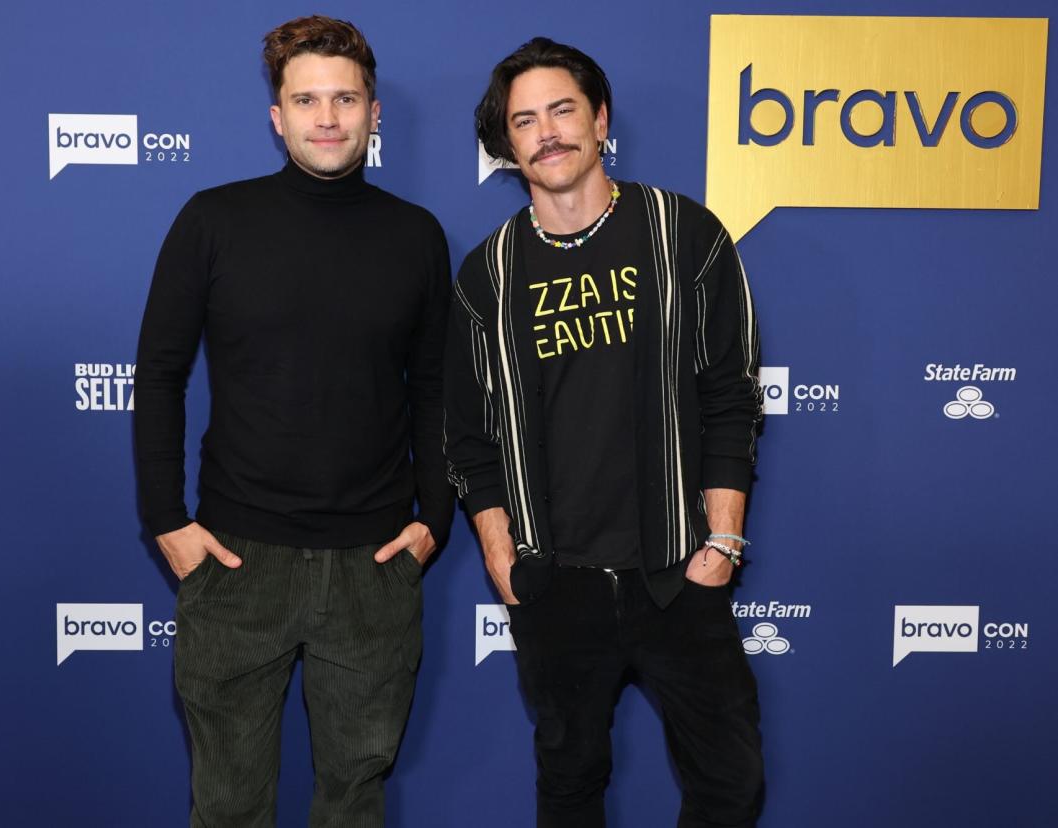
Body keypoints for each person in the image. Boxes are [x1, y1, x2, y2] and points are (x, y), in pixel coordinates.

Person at [133, 15, 454, 827]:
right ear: (276, 116)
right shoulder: (212, 219)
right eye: (305, 99)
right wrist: (165, 520)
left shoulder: (415, 236)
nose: (327, 117)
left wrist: (433, 522)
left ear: (373, 112)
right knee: (229, 807)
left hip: (374, 567)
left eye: (345, 98)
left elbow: (436, 388)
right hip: (238, 564)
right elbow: (160, 376)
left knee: (353, 804)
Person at [444, 37, 765, 828]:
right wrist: (501, 558)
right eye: (525, 120)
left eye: (562, 110)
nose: (547, 132)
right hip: (556, 587)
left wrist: (719, 546)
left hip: (676, 573)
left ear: (600, 120)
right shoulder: (487, 274)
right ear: (508, 143)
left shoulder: (682, 233)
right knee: (568, 788)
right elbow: (469, 436)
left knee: (730, 784)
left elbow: (729, 397)